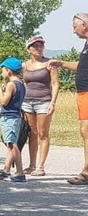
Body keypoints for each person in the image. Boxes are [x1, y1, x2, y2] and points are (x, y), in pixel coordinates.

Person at [47, 12, 88, 185]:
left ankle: (86, 172)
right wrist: (62, 63)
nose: (73, 31)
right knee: (85, 131)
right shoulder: (86, 45)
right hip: (83, 93)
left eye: (74, 27)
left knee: (86, 131)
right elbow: (81, 66)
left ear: (84, 25)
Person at [21, 35, 59, 176]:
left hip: (44, 101)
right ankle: (31, 165)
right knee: (32, 133)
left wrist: (53, 102)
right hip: (27, 102)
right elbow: (24, 83)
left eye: (41, 45)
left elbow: (55, 84)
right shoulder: (24, 65)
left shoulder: (50, 64)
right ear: (29, 49)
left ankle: (41, 166)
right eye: (35, 46)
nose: (38, 48)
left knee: (43, 133)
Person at [0, 57, 27, 182]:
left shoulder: (11, 84)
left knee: (12, 143)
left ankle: (20, 172)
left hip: (9, 117)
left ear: (8, 71)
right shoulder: (21, 84)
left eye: (3, 70)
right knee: (10, 143)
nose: (2, 72)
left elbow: (4, 101)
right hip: (16, 116)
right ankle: (6, 170)